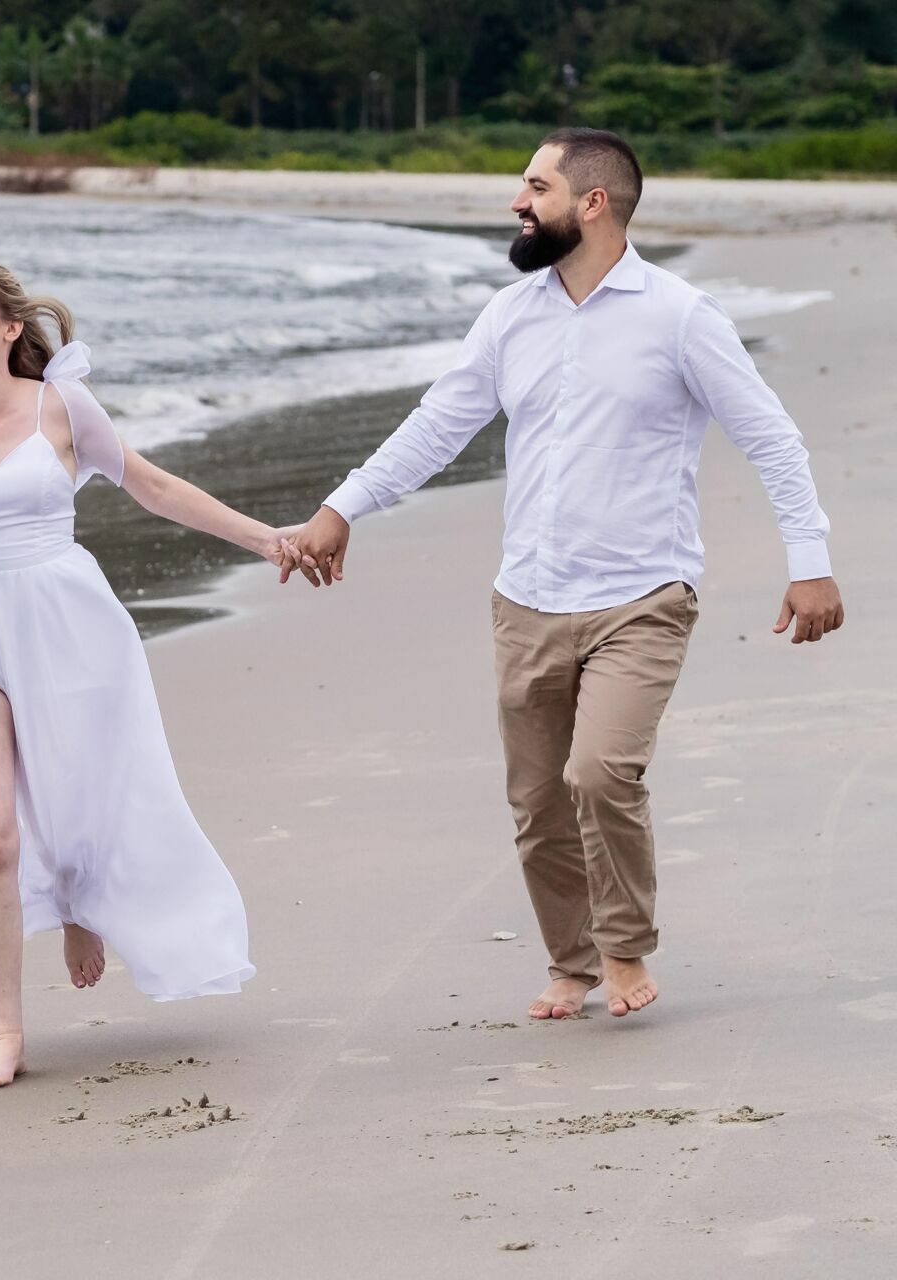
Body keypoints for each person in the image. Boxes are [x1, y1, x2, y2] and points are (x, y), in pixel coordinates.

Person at [285, 128, 843, 1021]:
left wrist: (808, 562)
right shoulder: (511, 317)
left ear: (591, 203)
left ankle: (624, 948)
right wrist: (342, 507)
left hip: (643, 596)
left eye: (535, 186)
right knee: (539, 803)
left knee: (598, 776)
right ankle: (570, 963)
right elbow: (439, 425)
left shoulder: (680, 315)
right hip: (527, 598)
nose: (516, 201)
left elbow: (769, 435)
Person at [0, 263, 309, 1087]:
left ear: (10, 327)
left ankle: (81, 906)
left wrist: (267, 539)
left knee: (75, 792)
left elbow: (153, 486)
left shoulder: (61, 406)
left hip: (63, 621)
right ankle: (7, 1035)